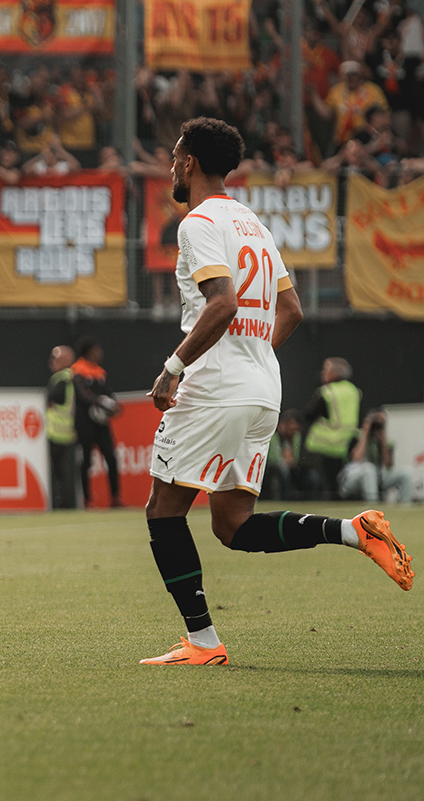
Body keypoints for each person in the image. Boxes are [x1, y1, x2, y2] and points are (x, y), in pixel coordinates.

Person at [138, 118, 410, 667]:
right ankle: (355, 531)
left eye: (174, 157)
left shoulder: (197, 222)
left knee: (163, 512)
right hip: (262, 388)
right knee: (232, 525)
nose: (170, 167)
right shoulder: (252, 223)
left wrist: (173, 368)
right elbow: (292, 309)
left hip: (214, 388)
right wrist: (252, 358)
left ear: (190, 162)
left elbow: (223, 303)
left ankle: (204, 644)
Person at [300, 356, 360, 500]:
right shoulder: (353, 391)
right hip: (345, 443)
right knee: (337, 480)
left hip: (323, 443)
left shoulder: (327, 391)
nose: (322, 373)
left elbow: (308, 414)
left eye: (326, 369)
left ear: (336, 373)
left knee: (321, 482)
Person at [71, 336, 121, 507]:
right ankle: (87, 500)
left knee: (111, 458)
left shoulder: (100, 372)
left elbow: (109, 394)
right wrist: (99, 402)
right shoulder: (78, 370)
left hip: (101, 423)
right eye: (96, 351)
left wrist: (114, 407)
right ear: (88, 352)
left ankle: (115, 498)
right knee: (86, 460)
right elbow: (82, 395)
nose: (100, 353)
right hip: (85, 422)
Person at [340, 410, 413, 504]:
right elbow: (356, 458)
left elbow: (388, 465)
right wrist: (365, 433)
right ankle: (373, 505)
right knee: (369, 469)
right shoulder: (356, 436)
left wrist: (382, 442)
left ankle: (404, 506)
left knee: (406, 473)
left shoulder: (387, 442)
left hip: (378, 477)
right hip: (353, 478)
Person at [45, 344, 81, 510]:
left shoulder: (63, 378)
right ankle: (64, 504)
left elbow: (55, 397)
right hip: (64, 432)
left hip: (60, 433)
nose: (51, 362)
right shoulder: (68, 377)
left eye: (54, 358)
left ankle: (65, 505)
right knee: (63, 473)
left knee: (63, 473)